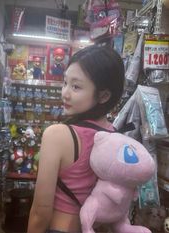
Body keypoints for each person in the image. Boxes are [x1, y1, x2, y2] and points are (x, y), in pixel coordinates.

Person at [27, 45, 125, 233]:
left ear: (103, 95)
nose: (65, 93)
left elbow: (41, 211)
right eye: (65, 83)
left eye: (76, 86)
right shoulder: (116, 138)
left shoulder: (57, 135)